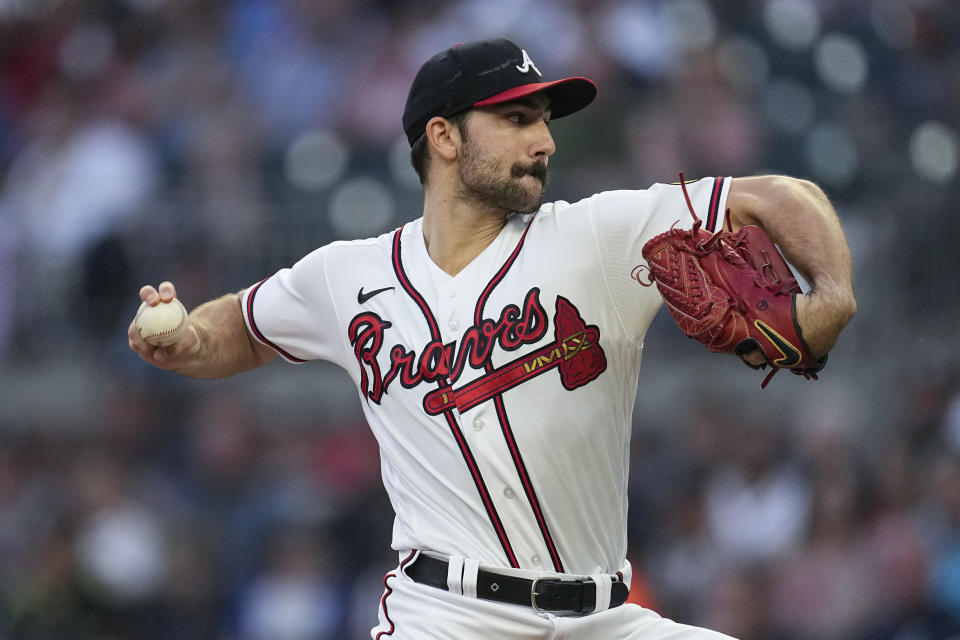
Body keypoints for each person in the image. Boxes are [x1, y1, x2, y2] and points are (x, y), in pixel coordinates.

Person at [128, 39, 856, 639]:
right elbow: (245, 327)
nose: (543, 139)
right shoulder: (346, 277)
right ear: (442, 136)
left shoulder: (598, 236)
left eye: (544, 119)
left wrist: (831, 296)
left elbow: (778, 196)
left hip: (604, 619)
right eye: (515, 118)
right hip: (445, 615)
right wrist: (187, 337)